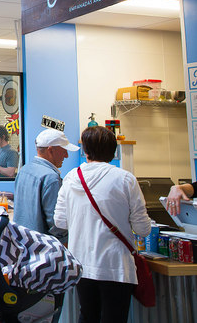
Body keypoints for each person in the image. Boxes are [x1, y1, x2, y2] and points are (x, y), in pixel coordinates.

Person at [54, 126, 151, 323]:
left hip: (82, 264)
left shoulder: (71, 177)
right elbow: (143, 229)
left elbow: (60, 221)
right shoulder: (125, 179)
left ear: (85, 150)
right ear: (113, 151)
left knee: (87, 316)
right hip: (116, 266)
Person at [13, 128, 79, 243]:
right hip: (43, 246)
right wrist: (66, 241)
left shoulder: (24, 170)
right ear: (51, 150)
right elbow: (56, 223)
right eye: (64, 150)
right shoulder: (51, 178)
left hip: (22, 242)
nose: (66, 155)